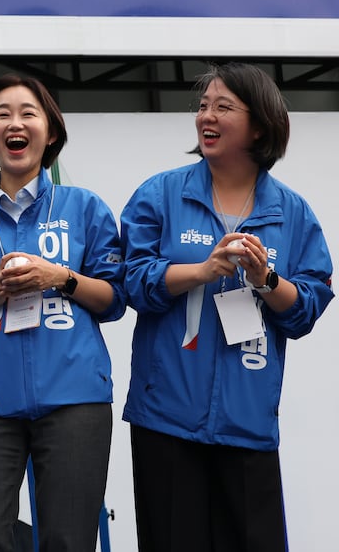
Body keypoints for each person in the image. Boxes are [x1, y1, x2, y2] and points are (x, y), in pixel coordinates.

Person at [119, 62, 333, 551]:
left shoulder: (292, 212)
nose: (205, 117)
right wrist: (204, 269)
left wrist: (265, 279)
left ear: (259, 125)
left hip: (248, 421)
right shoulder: (161, 193)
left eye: (222, 107)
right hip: (166, 418)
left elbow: (306, 308)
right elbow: (131, 282)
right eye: (202, 106)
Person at [0, 74, 126, 552]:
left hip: (74, 395)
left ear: (51, 132)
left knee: (69, 538)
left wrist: (59, 277)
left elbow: (115, 299)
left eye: (28, 113)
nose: (15, 123)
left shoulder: (84, 207)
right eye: (2, 114)